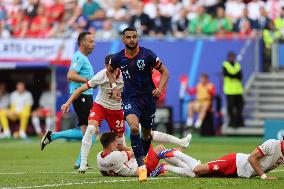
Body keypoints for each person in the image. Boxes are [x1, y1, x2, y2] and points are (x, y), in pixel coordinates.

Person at [42, 54, 191, 172]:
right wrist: (67, 103)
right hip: (100, 106)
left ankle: (176, 143)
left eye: (112, 67)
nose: (110, 70)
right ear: (105, 66)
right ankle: (83, 163)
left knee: (126, 142)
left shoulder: (126, 76)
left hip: (118, 110)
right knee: (90, 129)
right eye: (108, 67)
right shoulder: (101, 76)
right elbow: (81, 89)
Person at [107, 27, 169, 181]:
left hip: (148, 99)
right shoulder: (117, 57)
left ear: (137, 38)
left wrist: (160, 88)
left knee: (146, 134)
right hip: (130, 98)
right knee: (134, 127)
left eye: (134, 37)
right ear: (123, 40)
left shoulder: (147, 55)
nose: (132, 40)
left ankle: (144, 158)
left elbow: (165, 72)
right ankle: (141, 167)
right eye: (128, 37)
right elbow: (110, 70)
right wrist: (114, 87)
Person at [41, 31, 95, 168]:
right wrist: (89, 81)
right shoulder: (79, 57)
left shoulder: (83, 57)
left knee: (88, 132)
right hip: (81, 96)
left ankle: (79, 160)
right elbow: (70, 75)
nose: (93, 44)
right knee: (91, 131)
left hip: (84, 96)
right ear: (82, 43)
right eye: (90, 41)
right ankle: (78, 160)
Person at [152, 138, 284, 180]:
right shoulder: (272, 144)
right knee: (198, 169)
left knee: (197, 175)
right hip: (235, 162)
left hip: (239, 174)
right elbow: (251, 158)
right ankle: (173, 152)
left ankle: (165, 167)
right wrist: (264, 176)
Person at [97, 132, 197, 177]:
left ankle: (164, 166)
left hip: (135, 167)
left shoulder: (99, 158)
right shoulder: (115, 156)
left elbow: (104, 171)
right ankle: (192, 168)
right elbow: (136, 151)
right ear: (111, 144)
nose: (117, 144)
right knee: (159, 148)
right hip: (143, 170)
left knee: (159, 150)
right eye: (115, 142)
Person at [223, 52, 244, 128]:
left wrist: (232, 75)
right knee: (230, 108)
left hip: (238, 90)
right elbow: (227, 74)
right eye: (230, 57)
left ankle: (239, 122)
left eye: (233, 57)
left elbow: (240, 76)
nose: (232, 58)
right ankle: (231, 122)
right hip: (229, 91)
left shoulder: (237, 65)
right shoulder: (225, 65)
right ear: (228, 58)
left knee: (239, 107)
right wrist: (235, 75)